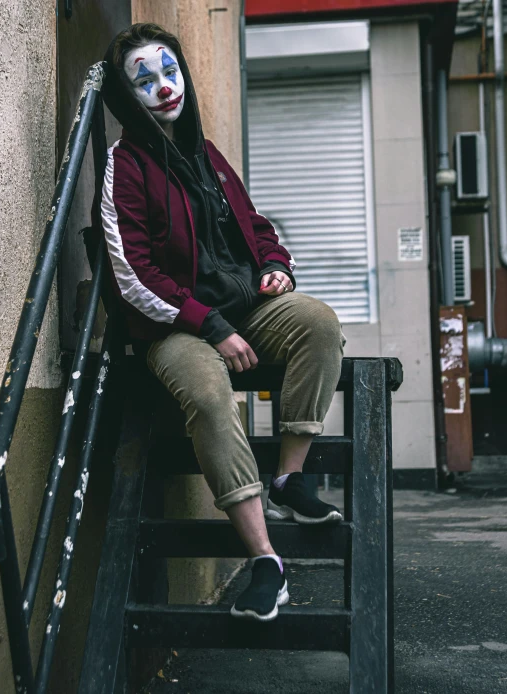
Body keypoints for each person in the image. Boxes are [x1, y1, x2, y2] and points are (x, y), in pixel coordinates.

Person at [99, 23, 345, 622]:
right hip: (174, 328)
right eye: (145, 80)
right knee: (211, 395)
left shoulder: (206, 153)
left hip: (245, 309)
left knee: (317, 322)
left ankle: (289, 478)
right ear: (127, 96)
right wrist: (209, 325)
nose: (162, 88)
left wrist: (276, 265)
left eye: (169, 72)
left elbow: (254, 223)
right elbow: (133, 273)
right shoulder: (124, 165)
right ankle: (267, 561)